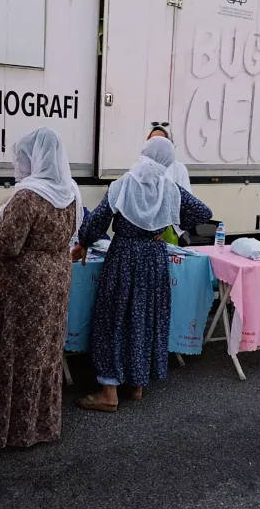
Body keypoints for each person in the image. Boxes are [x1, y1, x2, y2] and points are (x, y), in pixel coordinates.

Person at [73, 137, 212, 411]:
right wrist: (167, 222)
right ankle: (136, 384)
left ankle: (109, 392)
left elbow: (97, 220)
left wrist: (83, 242)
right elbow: (203, 212)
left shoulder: (123, 184)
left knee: (114, 319)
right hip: (154, 259)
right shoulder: (169, 188)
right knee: (144, 318)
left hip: (124, 257)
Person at [0, 127, 81, 449]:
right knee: (46, 349)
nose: (18, 163)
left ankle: (11, 430)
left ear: (34, 158)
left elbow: (7, 245)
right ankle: (42, 425)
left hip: (25, 286)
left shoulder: (27, 196)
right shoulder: (70, 192)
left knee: (17, 350)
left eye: (21, 157)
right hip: (57, 279)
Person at [146, 122, 192, 245]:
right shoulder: (141, 168)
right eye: (153, 141)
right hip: (146, 228)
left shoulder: (178, 168)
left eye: (162, 141)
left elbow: (187, 199)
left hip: (170, 227)